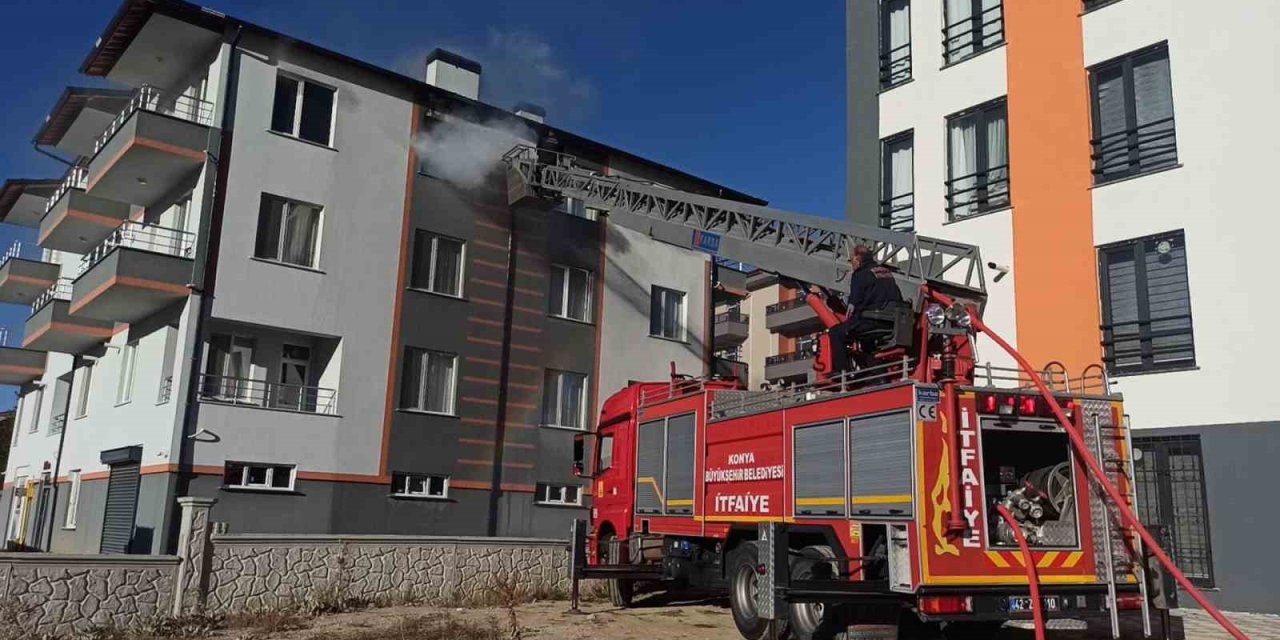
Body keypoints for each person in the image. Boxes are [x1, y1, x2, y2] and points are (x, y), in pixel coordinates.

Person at [827, 245, 904, 373]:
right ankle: (877, 375)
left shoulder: (860, 274)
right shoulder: (886, 272)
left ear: (857, 259)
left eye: (851, 260)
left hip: (873, 321)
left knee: (836, 333)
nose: (851, 264)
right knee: (867, 341)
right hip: (892, 322)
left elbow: (854, 304)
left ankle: (842, 374)